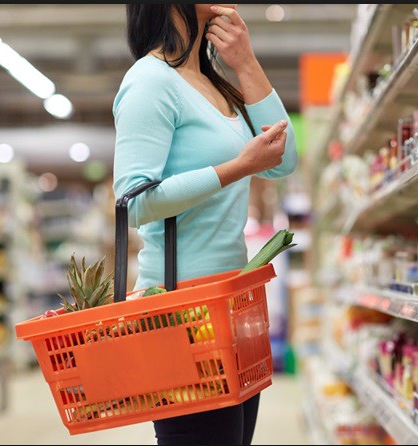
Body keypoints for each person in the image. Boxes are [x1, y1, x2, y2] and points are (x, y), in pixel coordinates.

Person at [113, 4, 298, 445]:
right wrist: (237, 167)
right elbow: (132, 204)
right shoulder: (149, 80)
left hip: (232, 303)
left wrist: (245, 61)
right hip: (182, 312)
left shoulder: (213, 84)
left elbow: (284, 160)